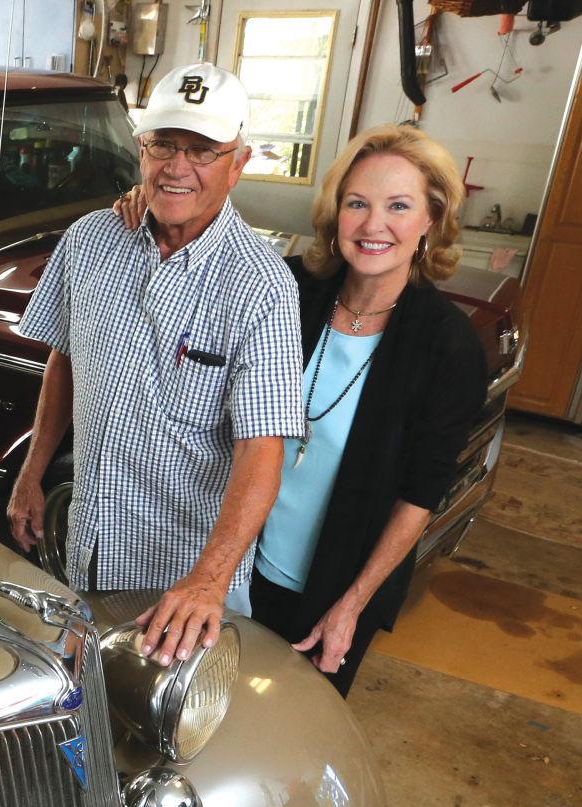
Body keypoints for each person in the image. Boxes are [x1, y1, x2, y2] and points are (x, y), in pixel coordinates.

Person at [112, 125, 484, 695]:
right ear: (335, 213)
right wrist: (158, 205)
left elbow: (420, 494)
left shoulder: (448, 345)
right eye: (356, 203)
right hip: (230, 564)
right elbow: (207, 257)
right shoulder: (289, 288)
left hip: (329, 590)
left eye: (398, 206)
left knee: (287, 738)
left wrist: (352, 606)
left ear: (431, 219)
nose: (372, 224)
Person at [9, 63, 305, 668]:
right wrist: (33, 471)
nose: (177, 166)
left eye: (202, 150)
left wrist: (208, 581)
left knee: (178, 748)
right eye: (164, 143)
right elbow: (65, 361)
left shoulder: (261, 285)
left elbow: (262, 449)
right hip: (90, 550)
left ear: (239, 162)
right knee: (83, 717)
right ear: (140, 149)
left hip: (181, 585)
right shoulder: (90, 240)